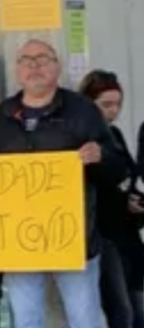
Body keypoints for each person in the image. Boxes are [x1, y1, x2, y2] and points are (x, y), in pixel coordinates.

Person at [0, 39, 127, 328]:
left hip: (75, 239)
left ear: (57, 66)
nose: (34, 66)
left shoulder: (83, 111)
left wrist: (101, 156)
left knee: (84, 319)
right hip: (19, 239)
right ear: (17, 70)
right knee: (26, 320)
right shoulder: (2, 116)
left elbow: (118, 168)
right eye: (26, 60)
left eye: (43, 59)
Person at [79, 70, 144, 328]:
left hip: (125, 229)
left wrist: (132, 199)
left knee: (137, 303)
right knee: (121, 308)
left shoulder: (114, 134)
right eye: (106, 105)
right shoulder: (82, 141)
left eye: (117, 104)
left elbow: (129, 172)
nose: (113, 111)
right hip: (103, 233)